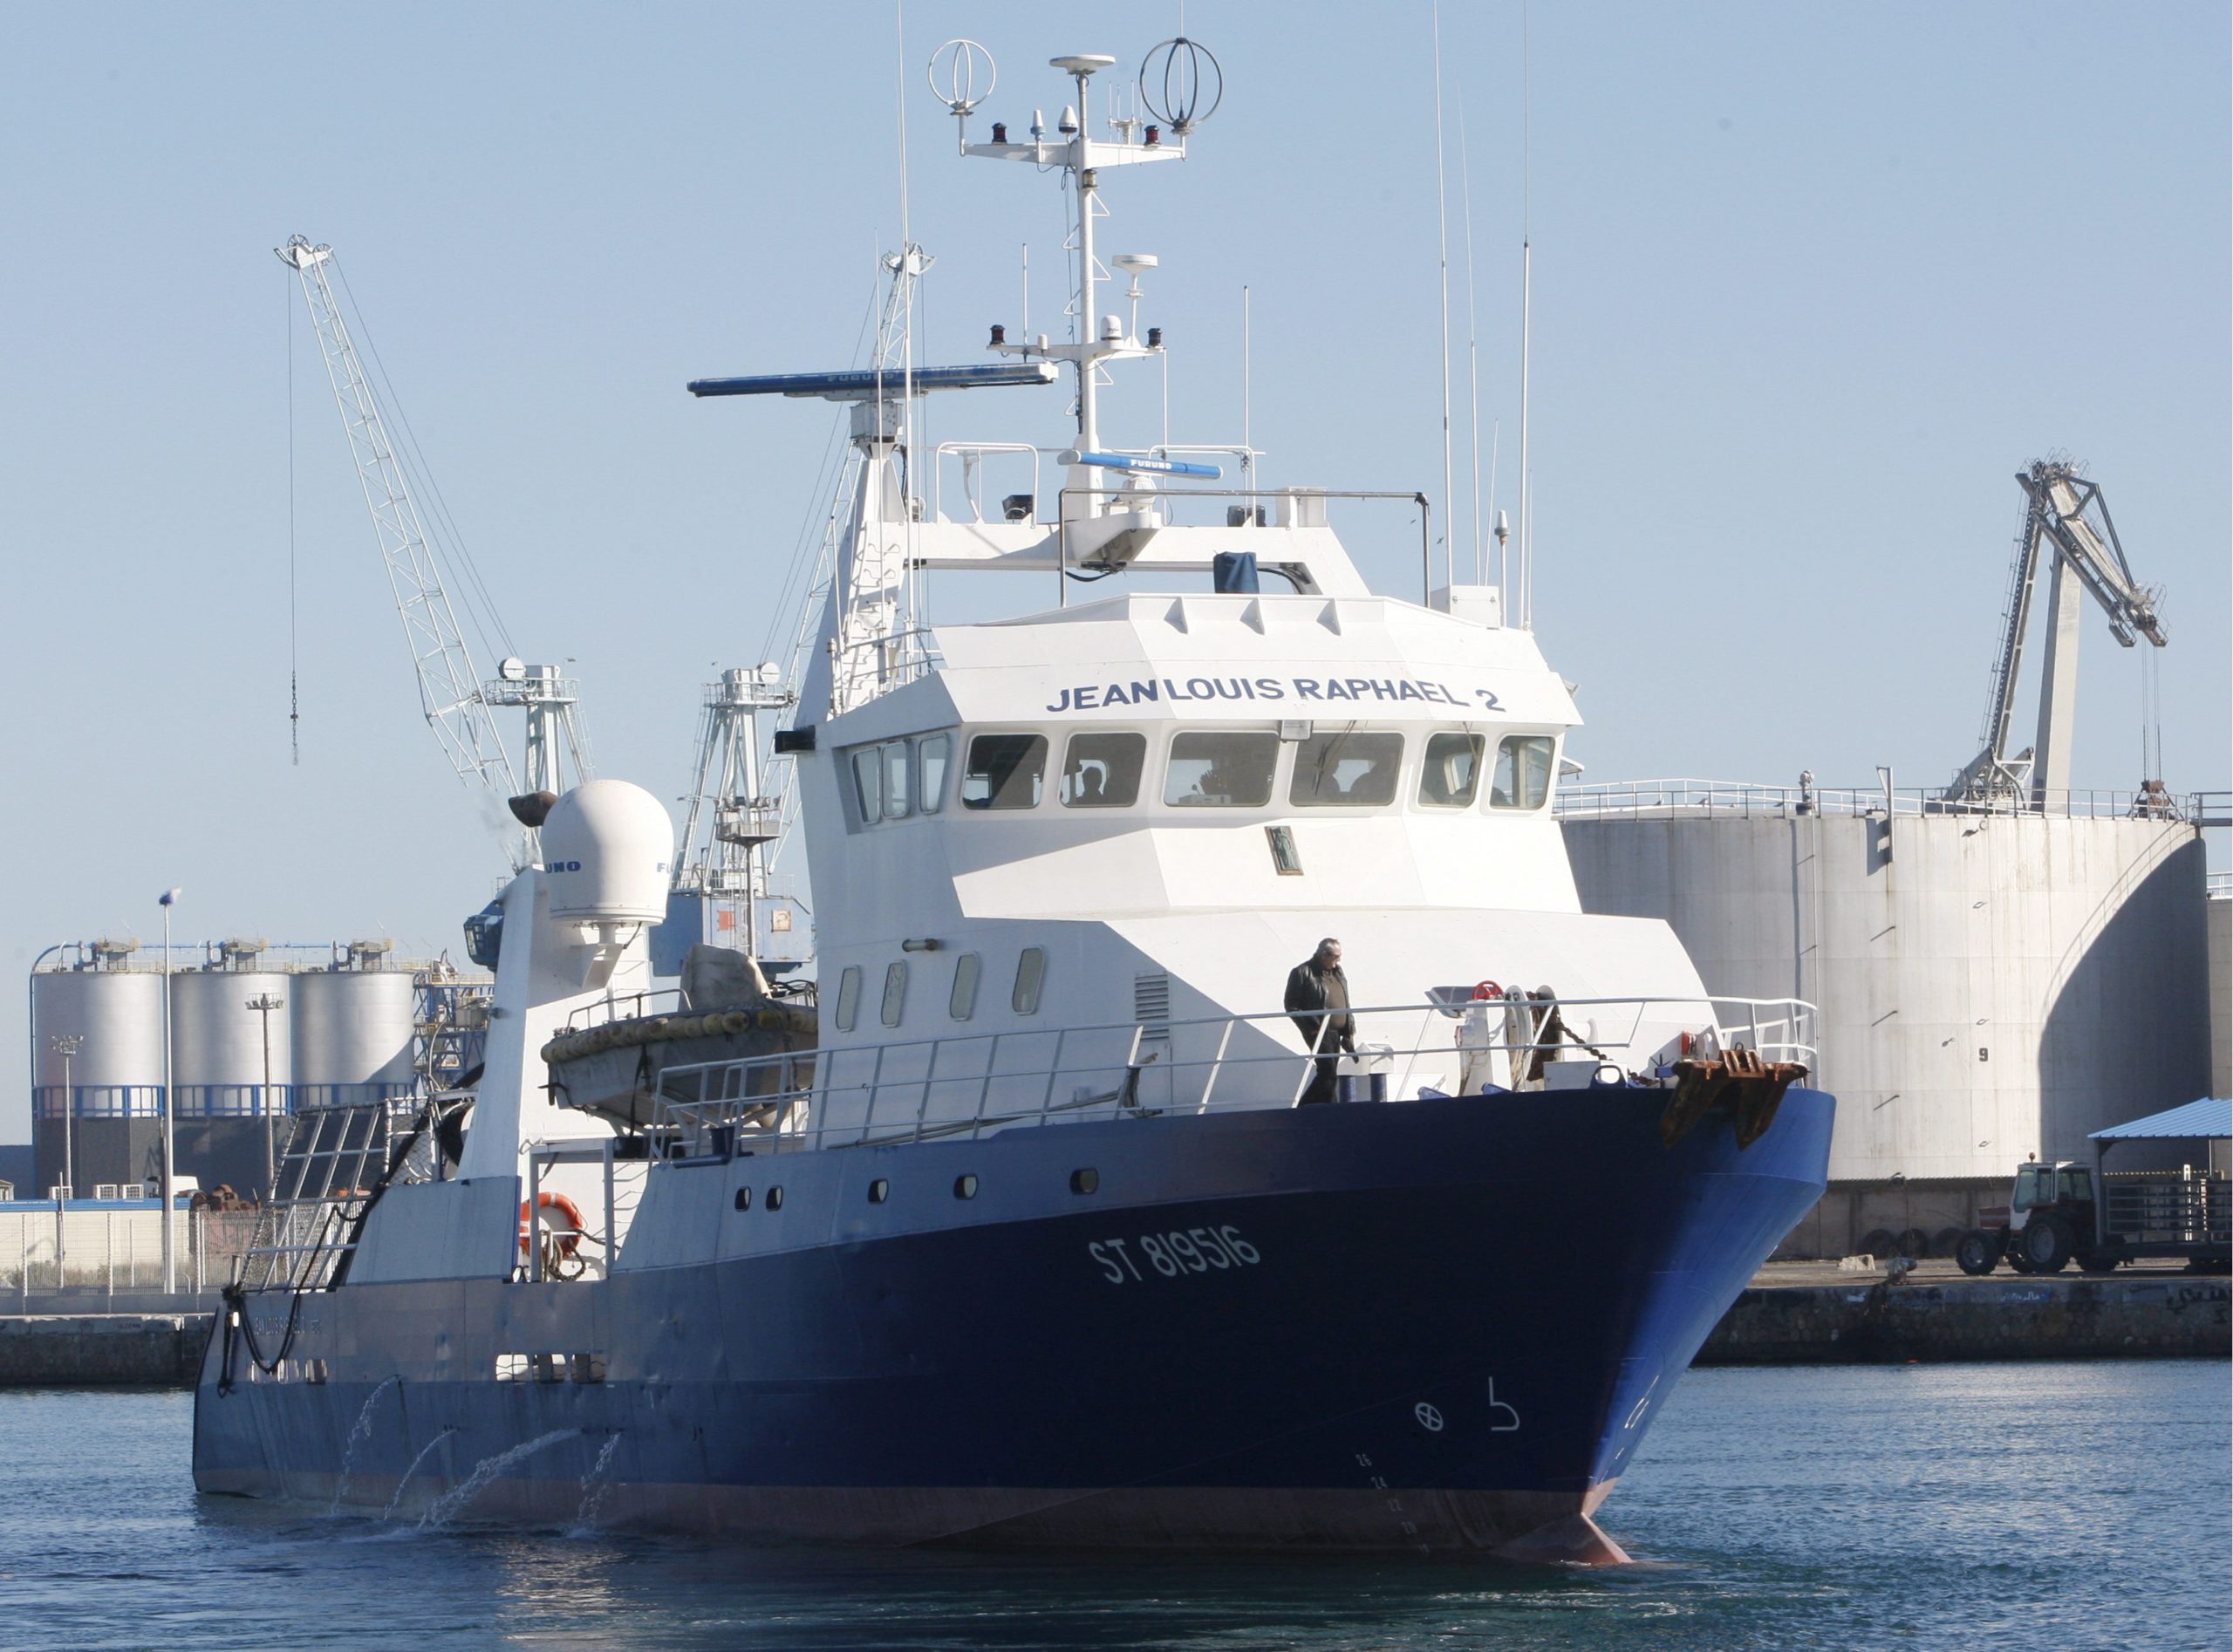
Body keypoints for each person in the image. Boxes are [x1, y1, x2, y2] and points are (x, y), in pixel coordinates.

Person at [1284, 938, 1356, 1104]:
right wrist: (1312, 1027)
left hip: (1336, 1032)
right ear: (1324, 955)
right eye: (1336, 957)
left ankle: (1325, 1108)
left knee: (1330, 1073)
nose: (1338, 960)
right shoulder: (1302, 972)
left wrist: (1348, 1030)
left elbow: (1345, 1000)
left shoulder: (1338, 972)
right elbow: (1291, 1005)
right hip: (1318, 1030)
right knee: (1327, 1071)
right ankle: (1307, 1107)